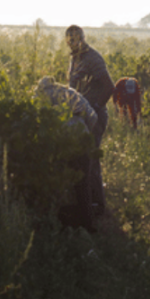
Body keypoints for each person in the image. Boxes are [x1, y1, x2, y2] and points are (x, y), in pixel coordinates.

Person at [34, 76, 99, 231]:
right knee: (83, 185)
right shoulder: (70, 93)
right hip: (81, 141)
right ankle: (87, 225)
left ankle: (58, 223)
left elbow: (36, 122)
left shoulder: (40, 97)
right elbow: (93, 117)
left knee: (58, 183)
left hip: (59, 145)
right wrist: (84, 131)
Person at [66, 25, 115, 215]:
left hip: (93, 116)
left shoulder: (93, 58)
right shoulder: (75, 59)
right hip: (81, 116)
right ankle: (88, 205)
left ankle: (98, 207)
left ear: (83, 38)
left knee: (91, 161)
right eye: (69, 40)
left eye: (75, 39)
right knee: (84, 161)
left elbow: (109, 87)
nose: (72, 43)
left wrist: (94, 109)